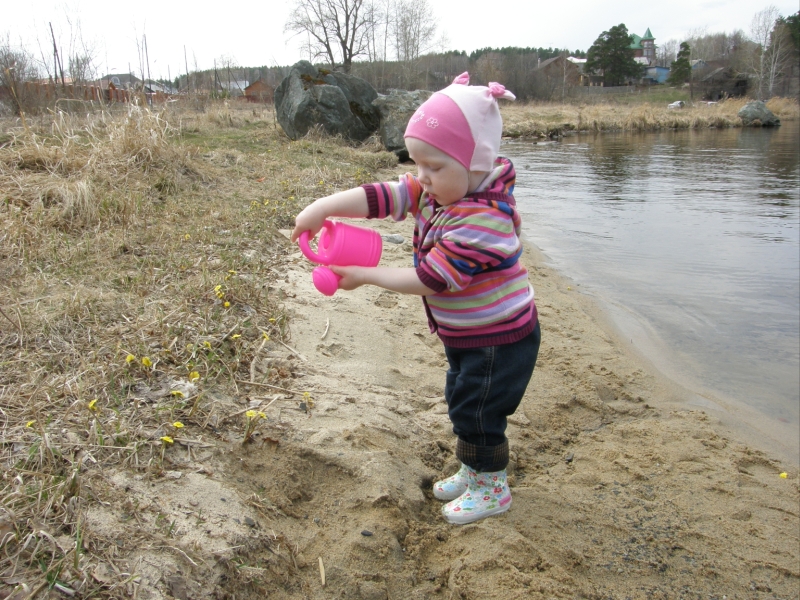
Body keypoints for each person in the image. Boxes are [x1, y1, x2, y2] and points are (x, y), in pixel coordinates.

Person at [290, 72, 540, 525]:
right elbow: (385, 196)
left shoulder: (483, 219)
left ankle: (491, 488)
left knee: (478, 410)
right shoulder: (443, 189)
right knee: (461, 398)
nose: (422, 177)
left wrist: (363, 276)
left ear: (477, 162)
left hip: (499, 340)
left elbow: (432, 279)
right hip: (469, 333)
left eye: (435, 166)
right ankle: (474, 470)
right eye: (417, 163)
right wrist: (323, 207)